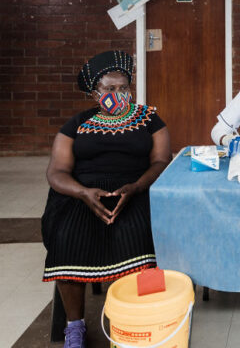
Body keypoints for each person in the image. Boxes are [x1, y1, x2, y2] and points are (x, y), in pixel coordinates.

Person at [43, 50, 170, 347]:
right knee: (67, 238)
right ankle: (75, 327)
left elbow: (161, 161)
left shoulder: (150, 119)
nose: (118, 94)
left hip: (134, 189)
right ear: (95, 93)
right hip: (84, 193)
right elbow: (57, 171)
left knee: (141, 238)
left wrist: (137, 186)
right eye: (109, 89)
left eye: (123, 88)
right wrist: (83, 193)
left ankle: (135, 318)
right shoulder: (76, 124)